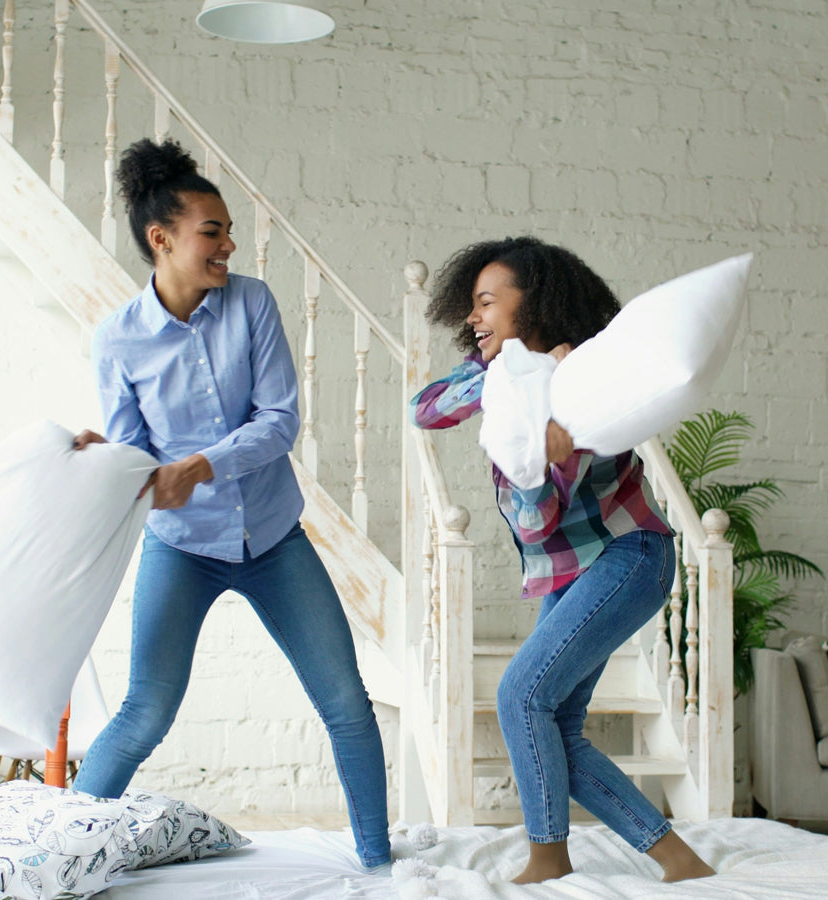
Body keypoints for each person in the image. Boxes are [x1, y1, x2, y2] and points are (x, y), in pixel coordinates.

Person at [71, 138, 389, 869]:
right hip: (182, 547)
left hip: (274, 539)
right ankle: (62, 858)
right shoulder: (117, 341)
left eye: (227, 231)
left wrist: (203, 463)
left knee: (346, 704)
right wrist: (108, 463)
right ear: (163, 239)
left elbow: (279, 422)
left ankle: (379, 866)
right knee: (143, 713)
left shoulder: (251, 301)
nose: (228, 244)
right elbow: (138, 465)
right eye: (211, 231)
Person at [409, 237, 715, 883]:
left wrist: (548, 449)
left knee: (522, 695)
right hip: (571, 570)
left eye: (487, 302)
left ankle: (548, 853)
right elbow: (425, 410)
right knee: (555, 725)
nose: (473, 317)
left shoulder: (585, 389)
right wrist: (503, 374)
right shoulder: (510, 383)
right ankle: (676, 858)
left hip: (626, 554)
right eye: (471, 304)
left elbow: (538, 517)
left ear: (538, 302)